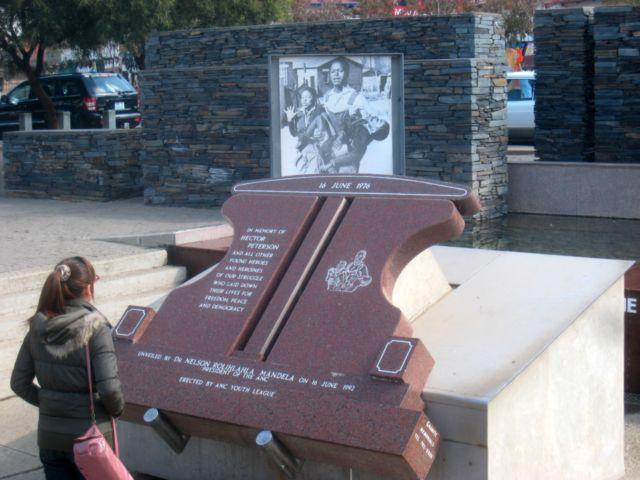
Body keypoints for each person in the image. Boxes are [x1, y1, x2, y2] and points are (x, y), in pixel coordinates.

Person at [11, 256, 124, 480]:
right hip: (91, 438)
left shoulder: (38, 326)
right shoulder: (97, 329)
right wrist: (117, 410)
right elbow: (110, 389)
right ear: (88, 287)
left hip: (50, 437)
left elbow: (18, 383)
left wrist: (50, 402)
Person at [284, 87, 333, 173]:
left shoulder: (320, 111)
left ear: (314, 98)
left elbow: (327, 132)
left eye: (308, 97)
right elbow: (294, 134)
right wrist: (290, 121)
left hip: (317, 149)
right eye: (303, 97)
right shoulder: (299, 113)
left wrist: (320, 134)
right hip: (302, 150)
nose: (304, 100)